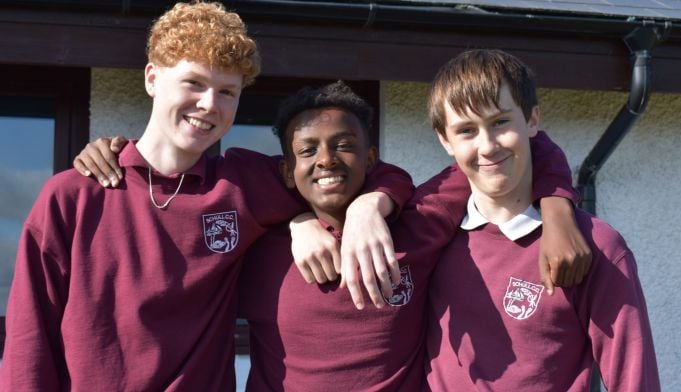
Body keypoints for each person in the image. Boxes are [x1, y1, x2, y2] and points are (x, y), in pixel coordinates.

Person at [74, 78, 587, 390]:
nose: (326, 160)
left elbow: (516, 147)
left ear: (370, 159)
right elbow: (187, 191)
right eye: (307, 150)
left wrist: (559, 207)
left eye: (344, 146)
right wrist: (122, 155)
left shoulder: (417, 225)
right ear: (285, 168)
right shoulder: (254, 242)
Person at [0, 2, 411, 391]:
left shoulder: (241, 182)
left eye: (227, 92)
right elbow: (28, 337)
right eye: (193, 83)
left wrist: (363, 208)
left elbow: (359, 173)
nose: (209, 104)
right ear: (152, 78)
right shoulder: (73, 195)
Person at [423, 49, 660, 390]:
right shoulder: (430, 235)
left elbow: (635, 380)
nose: (487, 146)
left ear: (532, 120)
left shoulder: (597, 246)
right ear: (445, 140)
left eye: (501, 122)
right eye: (466, 131)